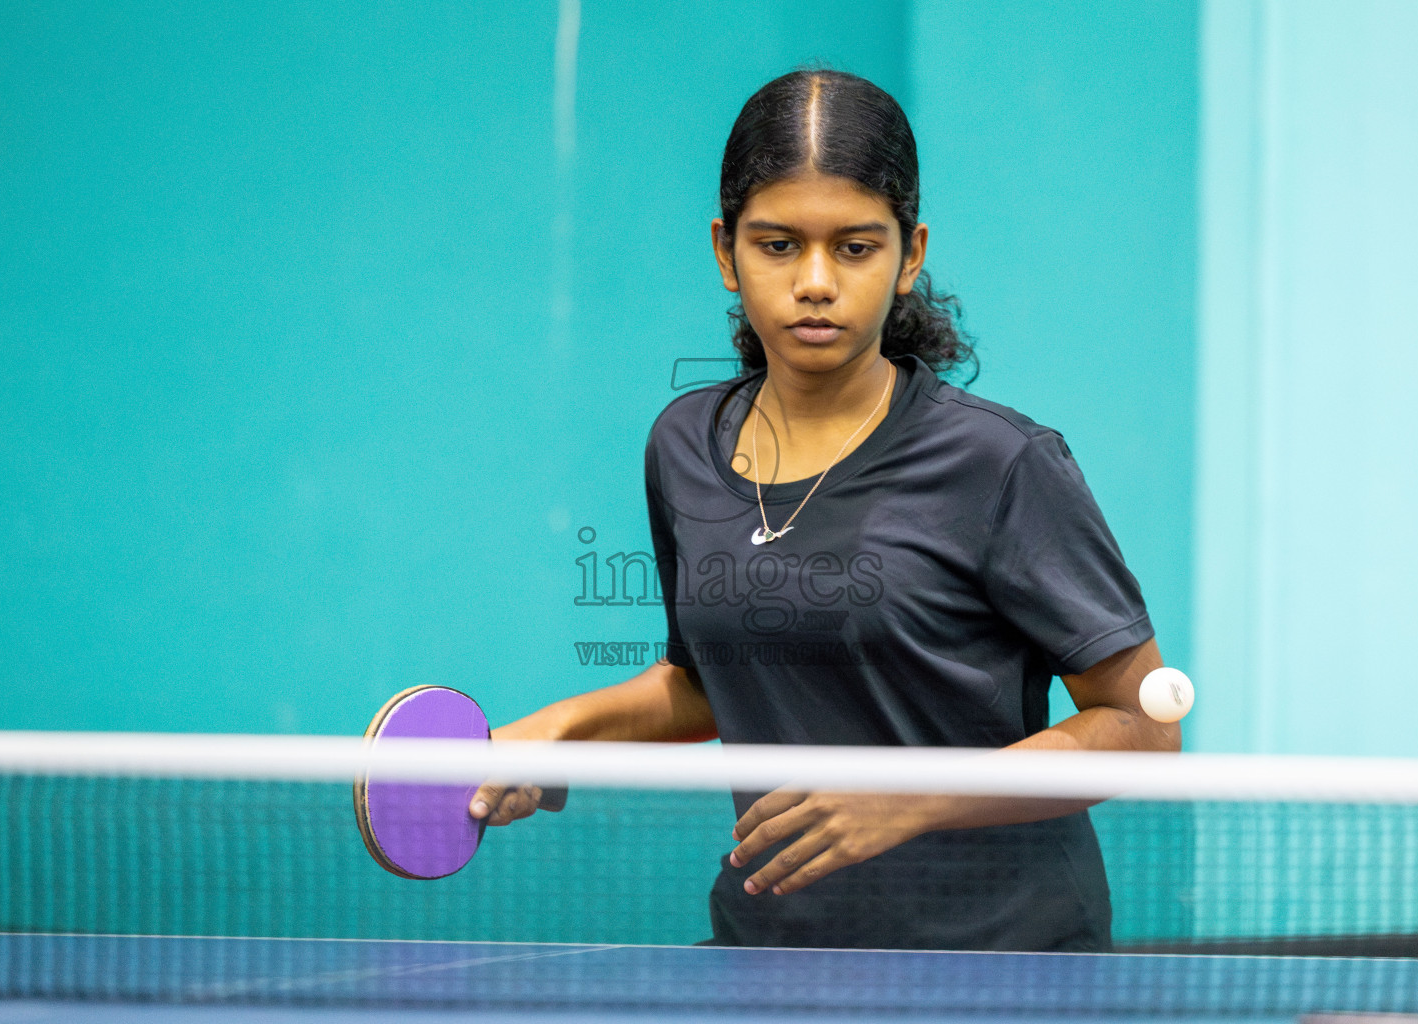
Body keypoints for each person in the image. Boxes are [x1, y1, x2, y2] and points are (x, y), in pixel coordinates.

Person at [469, 69, 1180, 952]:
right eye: (778, 246)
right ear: (726, 250)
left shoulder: (1001, 463)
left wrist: (910, 796)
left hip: (1000, 961)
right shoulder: (684, 444)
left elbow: (1145, 727)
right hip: (776, 952)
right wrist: (560, 728)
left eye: (854, 247)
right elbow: (714, 681)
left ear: (909, 253)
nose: (815, 282)